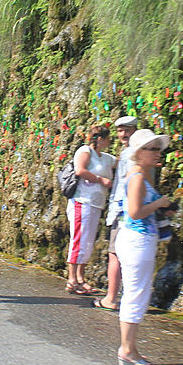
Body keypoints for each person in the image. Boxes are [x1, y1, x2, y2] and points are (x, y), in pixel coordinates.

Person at [114, 129, 174, 365]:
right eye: (152, 149)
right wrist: (160, 203)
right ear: (139, 153)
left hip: (138, 239)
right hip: (137, 240)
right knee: (136, 294)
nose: (157, 153)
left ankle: (130, 347)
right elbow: (136, 212)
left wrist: (162, 208)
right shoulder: (138, 177)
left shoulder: (139, 174)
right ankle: (127, 349)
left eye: (158, 149)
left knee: (136, 292)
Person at [65, 124, 115, 295]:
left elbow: (122, 163)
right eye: (108, 138)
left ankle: (81, 278)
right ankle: (72, 279)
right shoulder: (85, 151)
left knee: (88, 242)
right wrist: (101, 180)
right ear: (100, 139)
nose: (110, 141)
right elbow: (80, 170)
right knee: (78, 240)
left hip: (96, 203)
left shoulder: (106, 158)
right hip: (82, 201)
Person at [96, 115, 138, 311]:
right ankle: (124, 297)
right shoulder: (136, 152)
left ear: (135, 130)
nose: (123, 134)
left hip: (123, 210)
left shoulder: (132, 154)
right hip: (128, 210)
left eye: (127, 130)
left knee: (115, 254)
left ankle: (111, 298)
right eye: (120, 131)